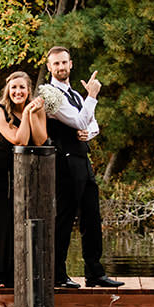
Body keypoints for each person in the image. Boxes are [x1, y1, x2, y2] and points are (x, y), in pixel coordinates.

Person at [43, 46, 122, 288]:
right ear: (49, 67)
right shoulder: (49, 95)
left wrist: (89, 133)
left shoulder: (77, 96)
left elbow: (91, 124)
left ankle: (94, 273)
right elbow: (77, 120)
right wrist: (93, 97)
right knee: (64, 218)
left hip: (82, 161)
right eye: (56, 64)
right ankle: (57, 274)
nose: (61, 67)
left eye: (64, 62)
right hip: (63, 161)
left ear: (71, 64)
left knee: (91, 216)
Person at [0, 71, 47, 287]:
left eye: (22, 87)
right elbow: (19, 140)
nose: (18, 92)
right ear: (8, 90)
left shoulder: (37, 110)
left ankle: (11, 274)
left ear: (29, 89)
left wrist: (32, 114)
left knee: (18, 219)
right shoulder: (0, 111)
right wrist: (28, 114)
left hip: (22, 171)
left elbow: (40, 141)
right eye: (13, 88)